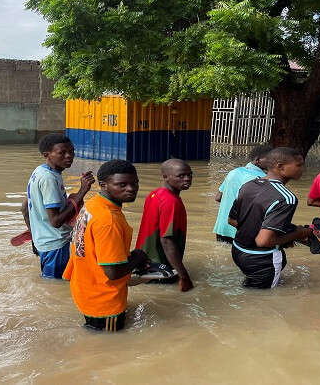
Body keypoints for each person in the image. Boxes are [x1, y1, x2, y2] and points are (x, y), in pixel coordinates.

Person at [63, 160, 150, 332]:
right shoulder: (108, 220)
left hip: (85, 288)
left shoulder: (92, 205)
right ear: (103, 185)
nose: (131, 189)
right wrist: (138, 257)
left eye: (134, 183)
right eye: (122, 185)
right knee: (109, 349)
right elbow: (112, 272)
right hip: (104, 303)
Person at [228, 147, 320, 289]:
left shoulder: (248, 186)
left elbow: (233, 220)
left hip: (238, 251)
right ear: (280, 167)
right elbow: (263, 241)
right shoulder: (286, 198)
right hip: (262, 260)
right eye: (299, 165)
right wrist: (298, 233)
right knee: (262, 302)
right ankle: (306, 234)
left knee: (250, 292)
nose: (303, 169)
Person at [21, 134, 94, 278]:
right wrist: (82, 191)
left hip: (44, 242)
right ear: (47, 155)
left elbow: (25, 206)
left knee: (50, 284)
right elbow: (56, 222)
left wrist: (34, 236)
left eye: (72, 152)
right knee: (56, 288)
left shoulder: (39, 171)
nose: (69, 156)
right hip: (57, 245)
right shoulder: (49, 179)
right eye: (62, 153)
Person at [135, 158, 194, 292]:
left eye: (189, 175)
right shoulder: (171, 202)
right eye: (181, 176)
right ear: (165, 177)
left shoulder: (154, 194)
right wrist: (184, 276)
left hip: (145, 264)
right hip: (160, 269)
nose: (187, 179)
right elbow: (167, 240)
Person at [214, 144, 273, 244]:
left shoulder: (233, 172)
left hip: (222, 228)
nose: (272, 163)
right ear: (257, 160)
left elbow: (218, 197)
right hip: (240, 229)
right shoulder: (263, 178)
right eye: (270, 159)